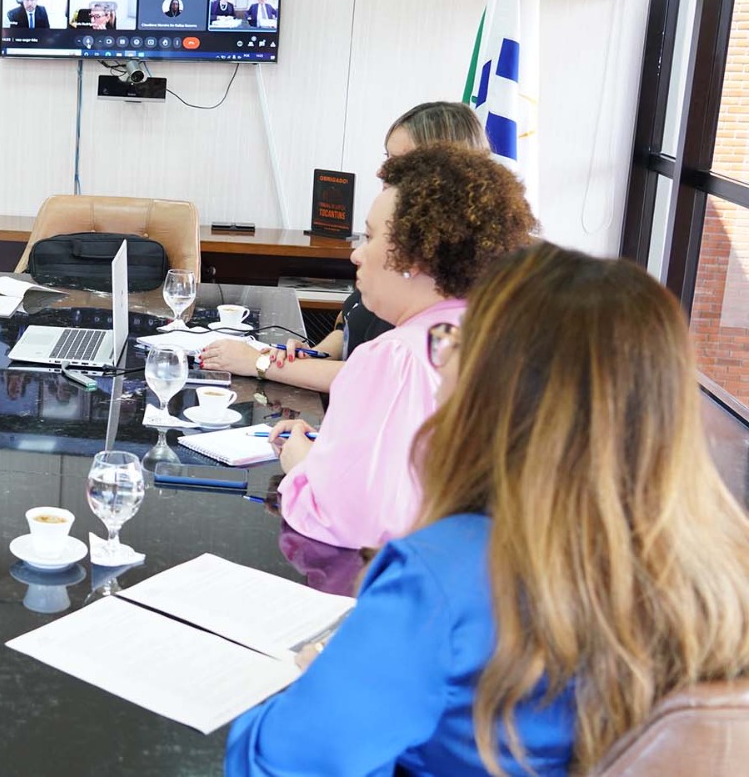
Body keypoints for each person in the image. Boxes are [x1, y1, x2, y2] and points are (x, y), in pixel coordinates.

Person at [227, 243, 749, 775]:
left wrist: (325, 675)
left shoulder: (441, 577)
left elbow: (273, 763)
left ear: (495, 382)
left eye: (456, 337)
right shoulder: (720, 570)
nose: (443, 352)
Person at [267, 145, 535, 549]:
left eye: (370, 237)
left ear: (416, 256)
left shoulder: (396, 356)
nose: (356, 254)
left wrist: (301, 463)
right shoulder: (496, 332)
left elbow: (347, 519)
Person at [200, 101, 490, 392]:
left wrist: (260, 364)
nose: (381, 171)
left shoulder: (446, 280)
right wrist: (314, 355)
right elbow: (351, 326)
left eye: (397, 161)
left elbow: (377, 377)